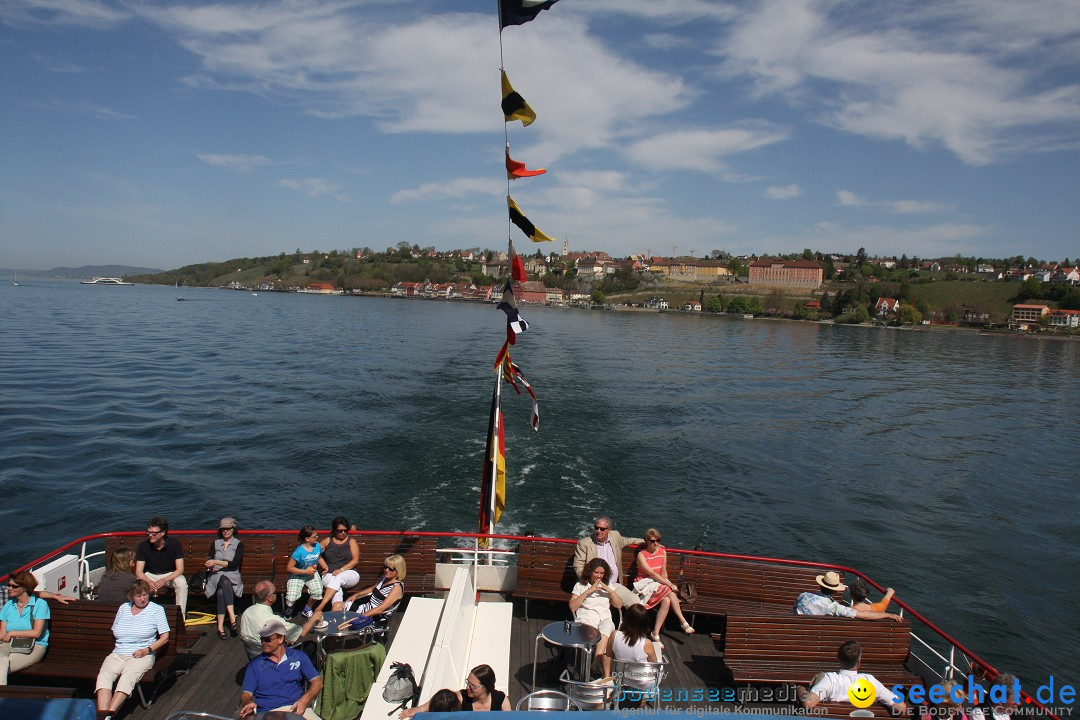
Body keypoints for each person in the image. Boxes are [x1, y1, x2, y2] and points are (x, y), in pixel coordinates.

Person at [95, 580, 171, 718]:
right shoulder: (123, 608)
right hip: (118, 653)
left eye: (145, 594)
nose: (142, 599)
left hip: (141, 655)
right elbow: (115, 629)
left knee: (126, 679)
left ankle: (108, 717)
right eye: (138, 596)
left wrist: (147, 650)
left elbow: (165, 637)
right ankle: (102, 715)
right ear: (131, 596)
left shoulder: (156, 610)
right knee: (104, 677)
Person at [239, 617, 322, 720]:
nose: (263, 643)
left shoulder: (298, 657)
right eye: (262, 639)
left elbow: (317, 682)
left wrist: (305, 700)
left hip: (295, 709)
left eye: (267, 639)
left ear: (280, 639)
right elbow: (246, 693)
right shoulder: (255, 665)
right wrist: (249, 702)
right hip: (268, 713)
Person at [797, 640, 907, 714]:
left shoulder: (830, 680)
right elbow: (901, 707)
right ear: (858, 663)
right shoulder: (871, 682)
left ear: (838, 659)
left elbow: (808, 703)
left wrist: (800, 689)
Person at [239, 579, 324, 660]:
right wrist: (313, 618)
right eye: (275, 592)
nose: (277, 593)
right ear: (270, 598)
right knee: (311, 646)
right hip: (276, 659)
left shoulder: (246, 612)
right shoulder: (273, 621)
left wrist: (283, 639)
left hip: (255, 658)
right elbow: (301, 632)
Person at [633, 528, 694, 639]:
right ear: (647, 541)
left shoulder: (662, 552)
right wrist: (669, 585)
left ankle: (655, 633)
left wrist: (665, 583)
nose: (655, 543)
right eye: (652, 541)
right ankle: (683, 621)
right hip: (646, 584)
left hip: (659, 583)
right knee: (669, 591)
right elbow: (651, 574)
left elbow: (664, 572)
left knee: (666, 600)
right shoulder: (641, 555)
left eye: (658, 540)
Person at [573, 516, 644, 608]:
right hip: (593, 586)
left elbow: (629, 540)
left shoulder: (615, 537)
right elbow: (578, 566)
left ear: (609, 530)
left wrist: (649, 542)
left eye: (602, 529)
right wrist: (590, 581)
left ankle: (627, 622)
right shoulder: (584, 544)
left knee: (635, 602)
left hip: (613, 585)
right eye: (596, 528)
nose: (599, 531)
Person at [570, 558, 622, 678]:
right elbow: (573, 606)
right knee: (599, 635)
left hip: (604, 618)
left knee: (606, 629)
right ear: (590, 572)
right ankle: (602, 670)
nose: (599, 576)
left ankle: (595, 662)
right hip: (587, 619)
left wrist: (609, 591)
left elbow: (619, 605)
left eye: (602, 573)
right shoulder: (581, 585)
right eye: (596, 573)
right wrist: (589, 591)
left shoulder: (608, 586)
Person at [400, 664, 509, 717]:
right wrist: (418, 709)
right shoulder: (462, 696)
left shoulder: (500, 700)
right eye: (467, 683)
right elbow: (442, 698)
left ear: (486, 687)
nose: (467, 688)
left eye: (472, 686)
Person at [0, 570, 51, 685]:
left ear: (24, 588)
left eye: (14, 586)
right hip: (8, 643)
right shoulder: (9, 605)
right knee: (1, 660)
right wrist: (6, 635)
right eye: (9, 585)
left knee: (1, 666)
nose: (9, 588)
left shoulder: (40, 605)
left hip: (34, 645)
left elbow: (36, 633)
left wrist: (12, 633)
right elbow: (3, 633)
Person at [135, 516, 188, 618]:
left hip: (169, 575)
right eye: (148, 532)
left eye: (153, 533)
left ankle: (180, 617)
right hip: (150, 575)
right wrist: (148, 581)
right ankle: (139, 615)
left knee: (181, 583)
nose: (150, 535)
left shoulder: (174, 544)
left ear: (162, 533)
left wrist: (164, 580)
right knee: (138, 584)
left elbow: (180, 569)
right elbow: (139, 571)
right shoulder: (143, 546)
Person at [794, 572, 902, 621]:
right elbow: (864, 615)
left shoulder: (803, 596)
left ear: (820, 584)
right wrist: (889, 615)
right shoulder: (835, 607)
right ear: (836, 591)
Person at [340, 555, 406, 628]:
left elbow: (380, 609)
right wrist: (357, 594)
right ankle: (336, 637)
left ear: (398, 570)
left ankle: (336, 637)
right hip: (366, 608)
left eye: (391, 569)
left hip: (373, 617)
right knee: (338, 605)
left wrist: (361, 617)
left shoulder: (396, 588)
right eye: (385, 567)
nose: (387, 570)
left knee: (340, 611)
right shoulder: (385, 578)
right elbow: (373, 588)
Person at [205, 516, 244, 639]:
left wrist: (218, 562)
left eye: (227, 529)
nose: (225, 531)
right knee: (223, 581)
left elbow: (234, 564)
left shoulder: (238, 544)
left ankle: (220, 627)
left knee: (221, 591)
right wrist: (210, 565)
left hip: (232, 574)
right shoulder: (215, 543)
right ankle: (232, 617)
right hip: (216, 574)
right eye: (223, 529)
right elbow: (210, 560)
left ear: (233, 529)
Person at [317, 517, 361, 611]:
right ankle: (337, 613)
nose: (343, 533)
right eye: (340, 530)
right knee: (337, 591)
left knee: (338, 578)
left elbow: (355, 560)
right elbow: (316, 555)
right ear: (334, 530)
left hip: (349, 573)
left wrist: (341, 570)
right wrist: (324, 565)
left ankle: (321, 606)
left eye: (346, 530)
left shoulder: (351, 542)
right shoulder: (327, 541)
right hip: (329, 573)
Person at [285, 525, 326, 618]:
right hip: (298, 573)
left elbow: (318, 556)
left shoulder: (318, 546)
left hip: (311, 572)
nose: (317, 537)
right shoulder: (298, 552)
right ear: (307, 539)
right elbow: (289, 568)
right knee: (292, 596)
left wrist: (324, 565)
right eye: (314, 536)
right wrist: (305, 572)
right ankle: (289, 607)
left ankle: (307, 608)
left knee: (318, 592)